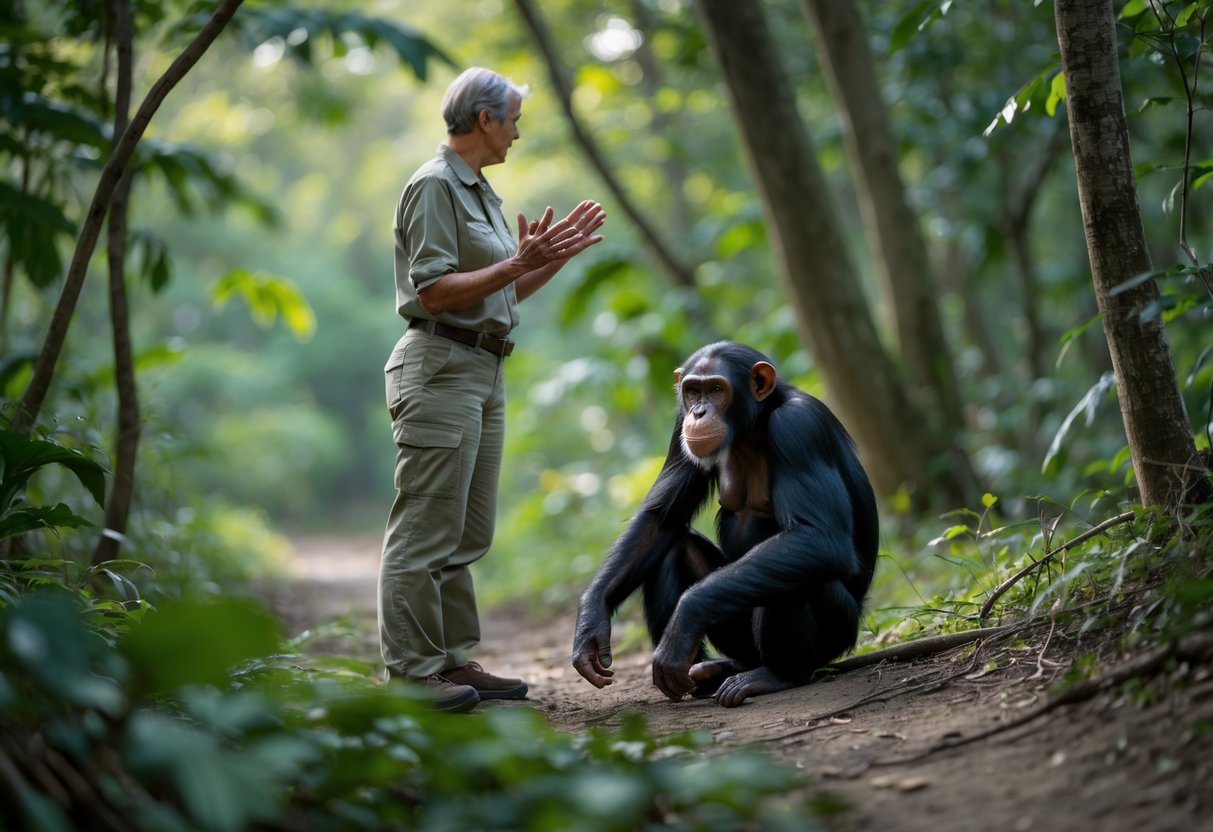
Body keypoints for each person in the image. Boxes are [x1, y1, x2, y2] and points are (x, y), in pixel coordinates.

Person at [379, 67, 606, 712]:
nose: (517, 133)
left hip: (484, 369)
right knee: (425, 527)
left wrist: (550, 257)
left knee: (466, 530)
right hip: (439, 368)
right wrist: (515, 263)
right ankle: (411, 675)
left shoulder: (481, 192)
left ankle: (453, 662)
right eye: (514, 120)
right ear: (485, 120)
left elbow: (500, 289)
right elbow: (432, 291)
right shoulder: (432, 186)